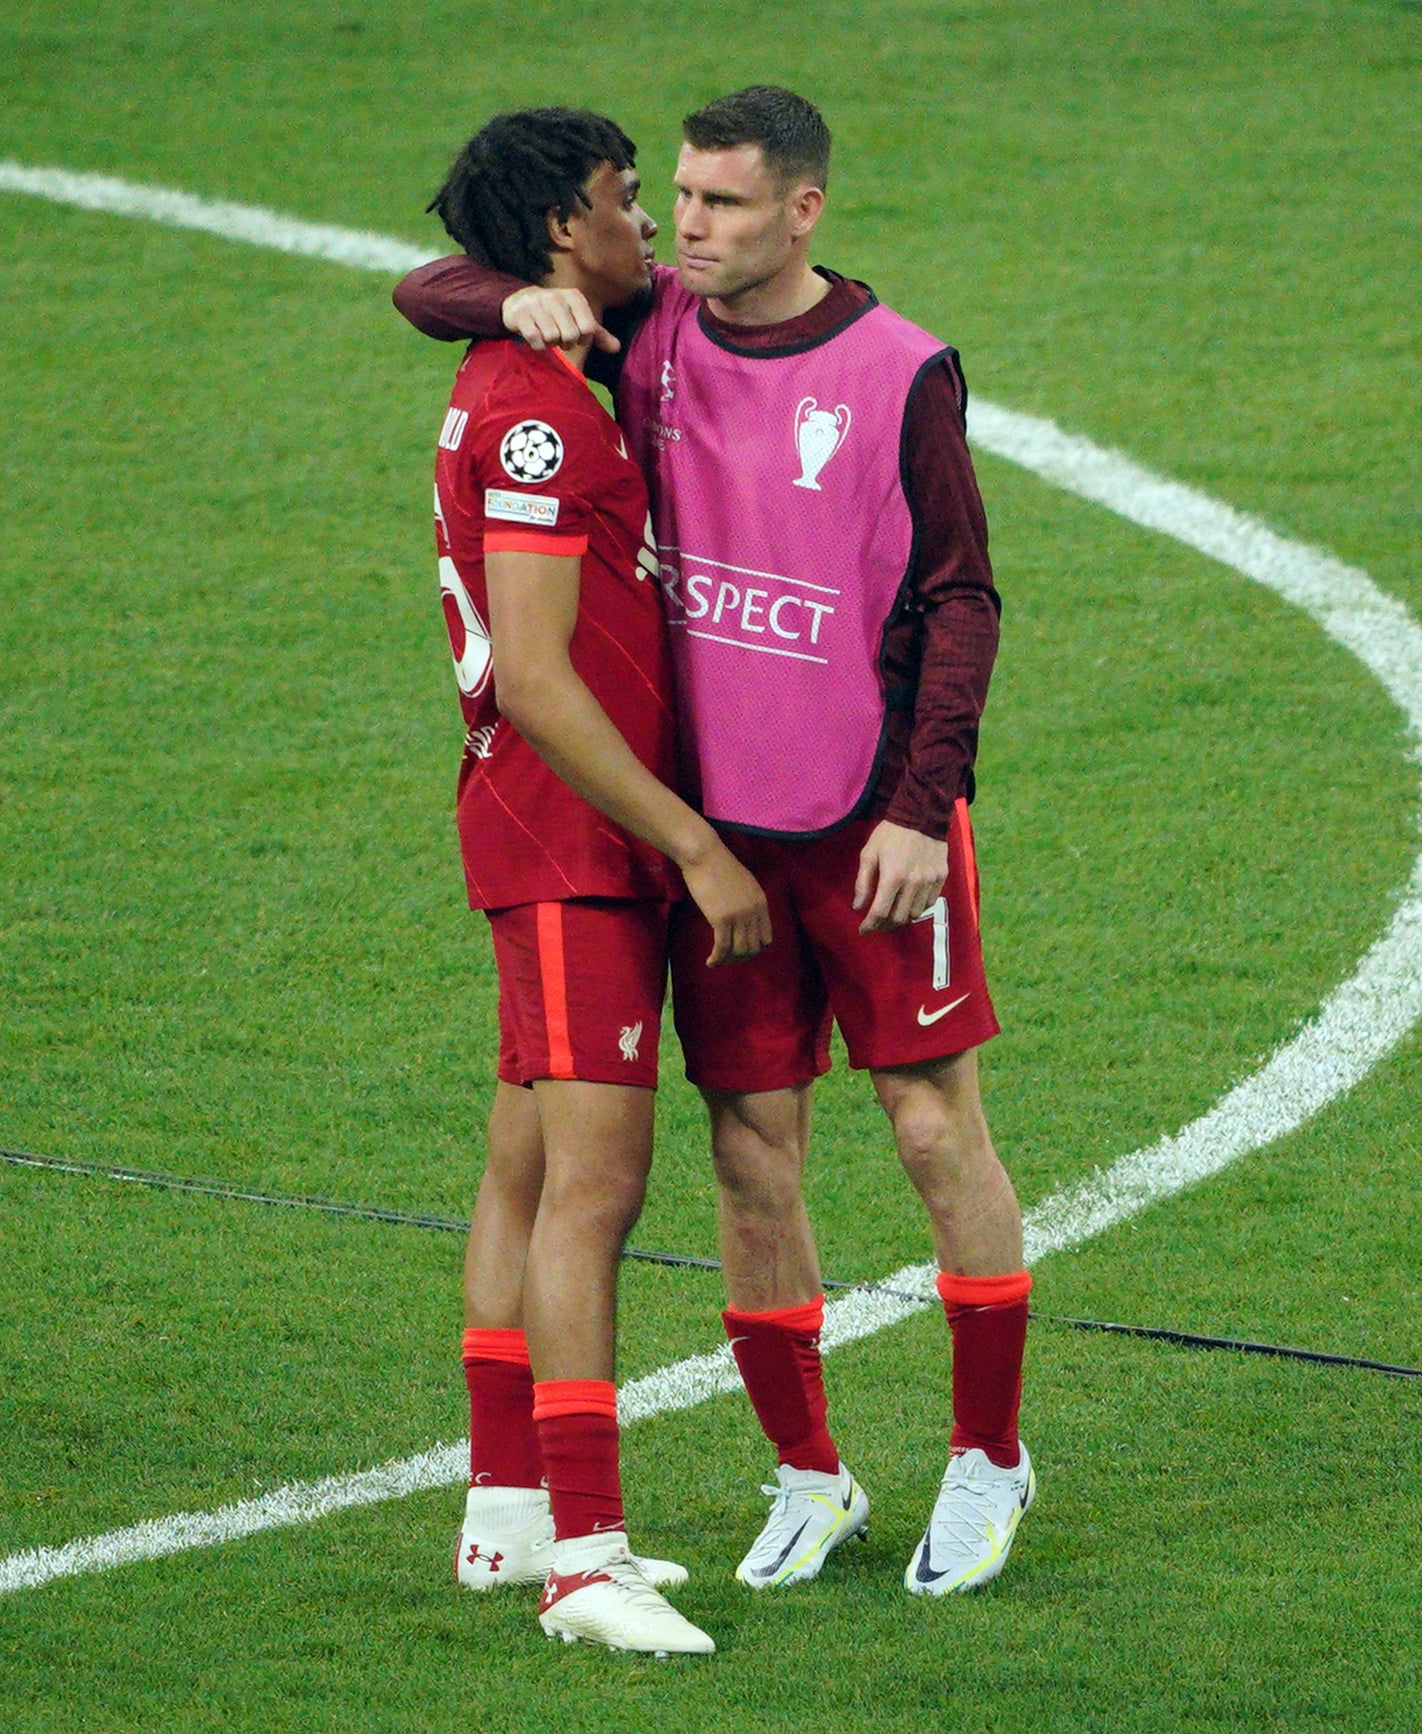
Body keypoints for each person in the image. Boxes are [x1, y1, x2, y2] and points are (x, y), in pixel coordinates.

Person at [395, 86, 1034, 1600]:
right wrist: (507, 287)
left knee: (938, 1130)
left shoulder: (900, 370)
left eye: (724, 205)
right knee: (753, 1158)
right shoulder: (643, 338)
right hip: (721, 837)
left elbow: (961, 599)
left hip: (871, 820)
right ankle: (808, 1473)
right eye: (673, 199)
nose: (686, 229)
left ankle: (986, 1453)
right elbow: (428, 287)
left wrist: (917, 809)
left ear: (802, 210)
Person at [417, 107, 772, 1658]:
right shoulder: (540, 416)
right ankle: (587, 1557)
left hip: (554, 829)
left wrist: (498, 298)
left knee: (521, 1162)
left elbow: (437, 285)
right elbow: (546, 678)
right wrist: (691, 840)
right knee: (596, 1189)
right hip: (573, 837)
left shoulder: (537, 364)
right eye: (631, 203)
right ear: (566, 228)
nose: (652, 228)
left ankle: (505, 1512)